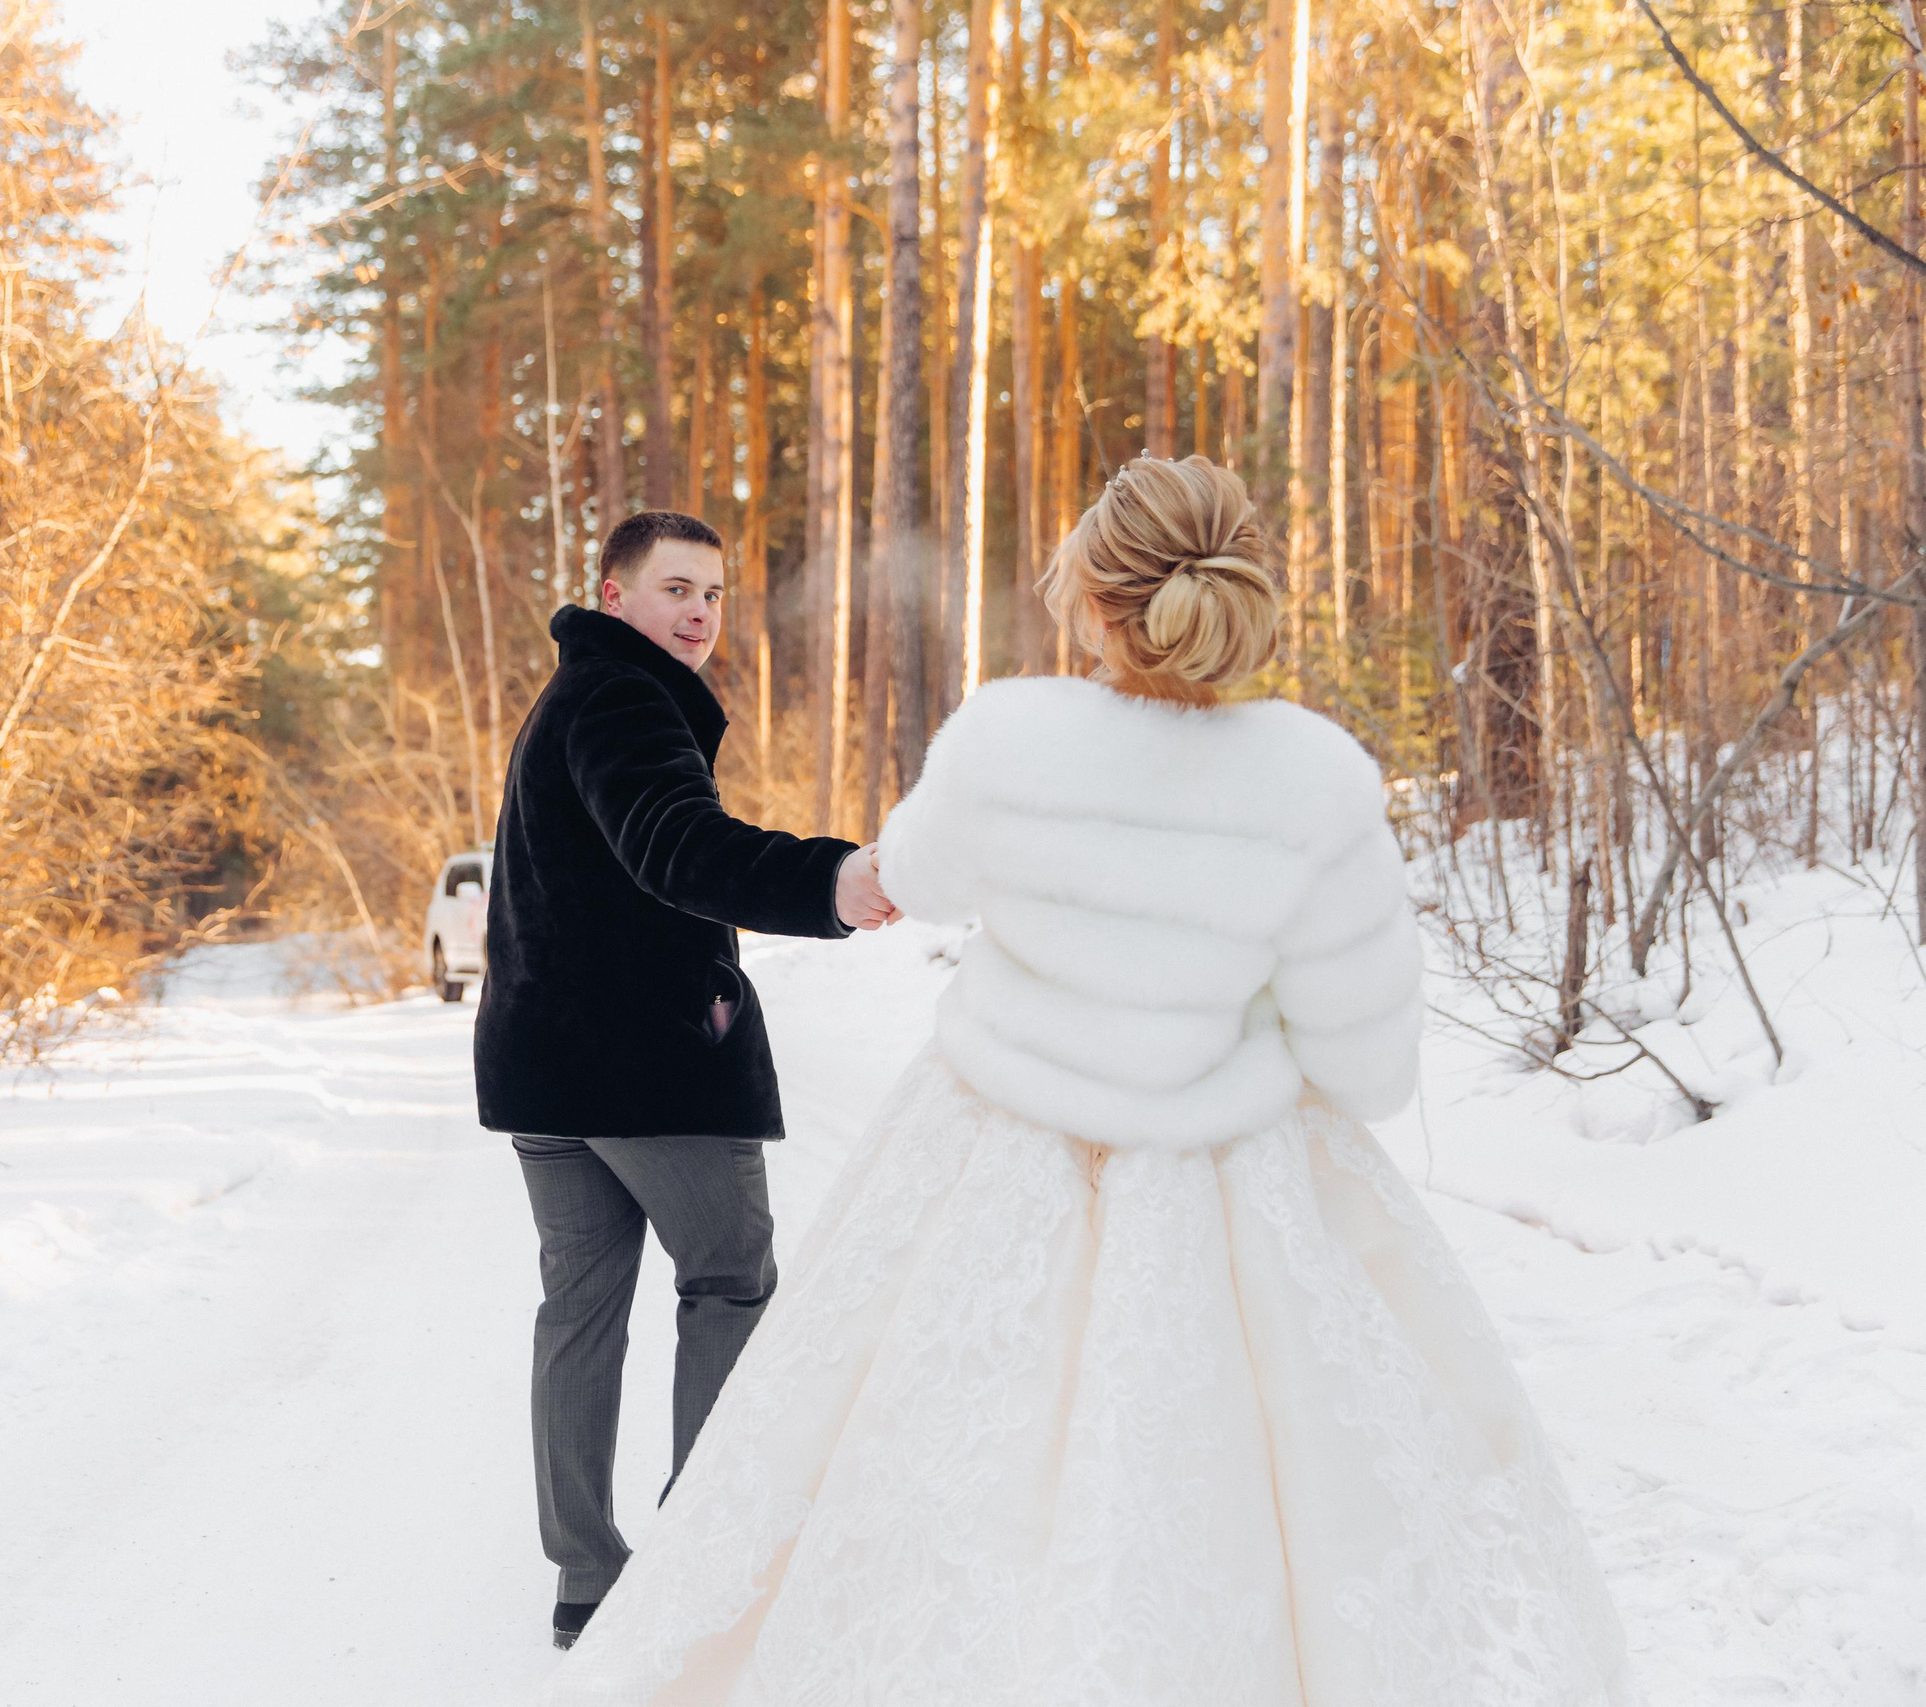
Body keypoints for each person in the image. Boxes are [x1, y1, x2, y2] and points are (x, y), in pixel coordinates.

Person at [544, 459, 1631, 1705]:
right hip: (1232, 1186)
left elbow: (921, 872)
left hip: (997, 1164)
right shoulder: (1316, 780)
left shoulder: (1012, 740)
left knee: (934, 1477)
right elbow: (1369, 1065)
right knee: (1255, 1501)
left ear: (1094, 598)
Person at [475, 509, 901, 1654]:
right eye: (673, 590)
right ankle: (700, 1562)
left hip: (548, 1075)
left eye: (712, 593)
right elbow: (677, 843)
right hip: (649, 1068)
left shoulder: (573, 697)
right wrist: (834, 881)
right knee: (728, 1285)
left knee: (578, 1313)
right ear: (612, 597)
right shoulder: (623, 698)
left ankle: (585, 1582)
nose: (699, 614)